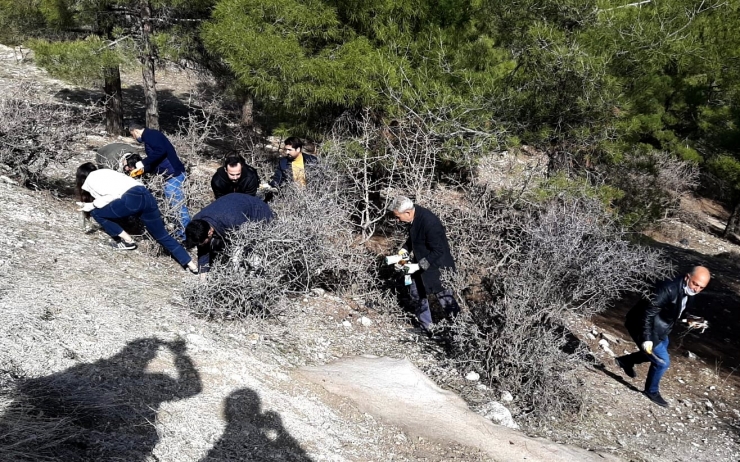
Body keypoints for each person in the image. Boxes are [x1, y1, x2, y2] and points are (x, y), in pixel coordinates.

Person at [75, 162, 198, 273]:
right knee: (162, 235)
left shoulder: (91, 179)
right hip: (146, 195)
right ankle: (190, 264)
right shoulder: (107, 172)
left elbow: (110, 196)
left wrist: (91, 205)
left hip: (131, 198)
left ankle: (128, 242)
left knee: (97, 213)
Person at [615, 266, 711, 407]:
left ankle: (626, 361)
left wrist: (688, 319)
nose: (696, 289)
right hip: (642, 326)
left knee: (656, 353)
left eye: (701, 287)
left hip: (660, 328)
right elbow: (647, 314)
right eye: (695, 284)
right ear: (687, 277)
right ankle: (651, 391)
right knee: (662, 362)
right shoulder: (668, 288)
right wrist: (646, 338)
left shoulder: (689, 292)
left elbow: (676, 309)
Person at [388, 196, 461, 335]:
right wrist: (403, 250)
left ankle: (461, 332)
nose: (398, 220)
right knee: (416, 293)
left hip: (439, 267)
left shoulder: (430, 222)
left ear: (408, 213)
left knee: (446, 300)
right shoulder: (414, 217)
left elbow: (438, 251)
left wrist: (418, 266)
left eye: (398, 217)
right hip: (421, 263)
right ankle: (426, 328)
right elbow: (414, 239)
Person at [127, 122, 190, 240]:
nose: (134, 138)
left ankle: (186, 237)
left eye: (132, 135)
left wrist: (143, 162)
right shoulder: (149, 139)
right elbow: (156, 161)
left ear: (135, 131)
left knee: (178, 207)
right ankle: (182, 234)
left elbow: (161, 151)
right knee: (174, 205)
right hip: (170, 175)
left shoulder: (151, 135)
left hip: (174, 175)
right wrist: (141, 170)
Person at [184, 193, 273, 273]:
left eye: (202, 242)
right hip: (233, 206)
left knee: (252, 255)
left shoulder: (233, 222)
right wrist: (203, 274)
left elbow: (246, 241)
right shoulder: (197, 222)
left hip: (258, 212)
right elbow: (203, 249)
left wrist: (236, 267)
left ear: (210, 232)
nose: (200, 245)